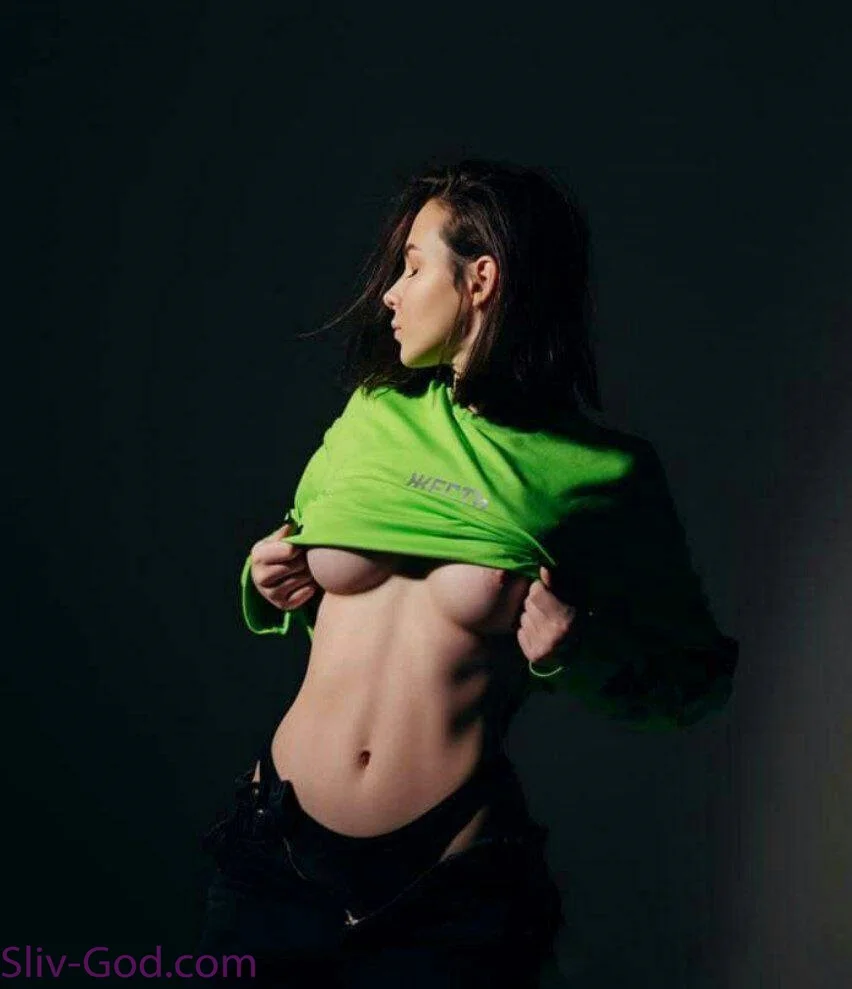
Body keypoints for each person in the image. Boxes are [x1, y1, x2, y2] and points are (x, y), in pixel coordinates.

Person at [197, 157, 739, 987]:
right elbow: (312, 571)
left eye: (413, 267)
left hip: (447, 888)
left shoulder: (602, 473)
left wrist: (579, 649)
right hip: (276, 858)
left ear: (480, 278)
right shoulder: (369, 416)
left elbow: (693, 683)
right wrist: (267, 579)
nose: (390, 293)